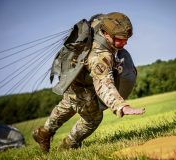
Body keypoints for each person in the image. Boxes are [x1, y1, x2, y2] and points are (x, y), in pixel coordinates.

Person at [32, 12, 145, 152]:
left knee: (69, 104)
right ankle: (67, 147)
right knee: (93, 118)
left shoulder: (101, 23)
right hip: (80, 82)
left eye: (126, 39)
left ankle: (43, 133)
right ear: (106, 33)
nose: (124, 43)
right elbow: (104, 83)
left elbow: (98, 17)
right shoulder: (100, 56)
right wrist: (120, 106)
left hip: (72, 75)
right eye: (119, 39)